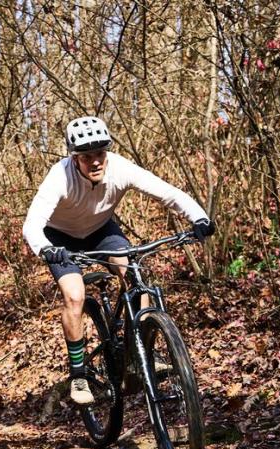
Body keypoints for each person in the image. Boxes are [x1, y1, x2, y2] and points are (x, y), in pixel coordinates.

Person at [22, 115, 214, 405]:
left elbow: (168, 193)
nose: (95, 161)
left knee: (134, 274)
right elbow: (32, 225)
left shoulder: (121, 167)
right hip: (59, 240)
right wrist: (46, 248)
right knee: (74, 296)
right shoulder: (59, 177)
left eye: (100, 153)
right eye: (87, 157)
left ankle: (139, 354)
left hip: (101, 231)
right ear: (75, 159)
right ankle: (78, 375)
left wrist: (199, 216)